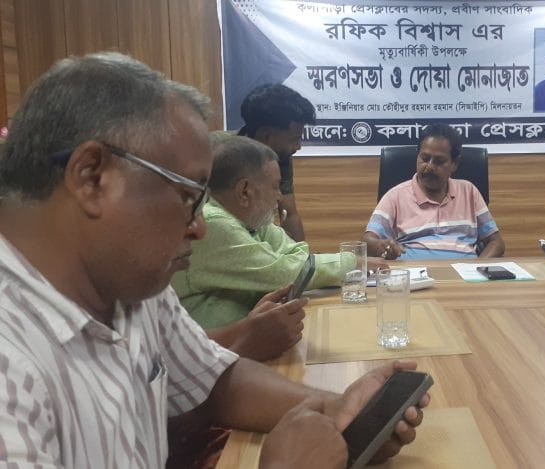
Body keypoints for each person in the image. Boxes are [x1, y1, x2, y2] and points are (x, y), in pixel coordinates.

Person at [0, 52, 426, 467]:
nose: (200, 228)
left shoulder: (128, 286)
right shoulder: (11, 367)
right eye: (188, 196)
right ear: (92, 177)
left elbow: (215, 380)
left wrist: (337, 411)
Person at [171, 133, 386, 360]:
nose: (280, 197)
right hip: (205, 361)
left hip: (242, 351)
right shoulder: (212, 223)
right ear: (245, 191)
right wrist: (352, 262)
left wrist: (295, 263)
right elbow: (285, 272)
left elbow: (298, 254)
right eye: (275, 187)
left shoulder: (249, 218)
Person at [364, 124, 505, 260]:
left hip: (463, 274)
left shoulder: (469, 192)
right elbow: (367, 241)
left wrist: (476, 268)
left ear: (454, 164)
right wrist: (381, 246)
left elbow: (496, 242)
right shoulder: (395, 196)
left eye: (439, 161)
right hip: (413, 273)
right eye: (425, 159)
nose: (430, 166)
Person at [238, 83, 314, 241]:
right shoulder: (218, 156)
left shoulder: (280, 159)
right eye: (294, 139)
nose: (298, 147)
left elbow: (289, 214)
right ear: (266, 136)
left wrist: (302, 254)